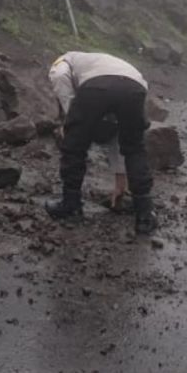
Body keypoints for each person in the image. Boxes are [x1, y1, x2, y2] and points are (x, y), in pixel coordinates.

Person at [46, 51, 157, 235]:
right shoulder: (106, 61)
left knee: (75, 146)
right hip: (135, 87)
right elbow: (117, 136)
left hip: (96, 87)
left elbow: (59, 75)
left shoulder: (66, 58)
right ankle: (145, 214)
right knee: (135, 147)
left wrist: (70, 120)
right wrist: (120, 182)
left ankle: (70, 205)